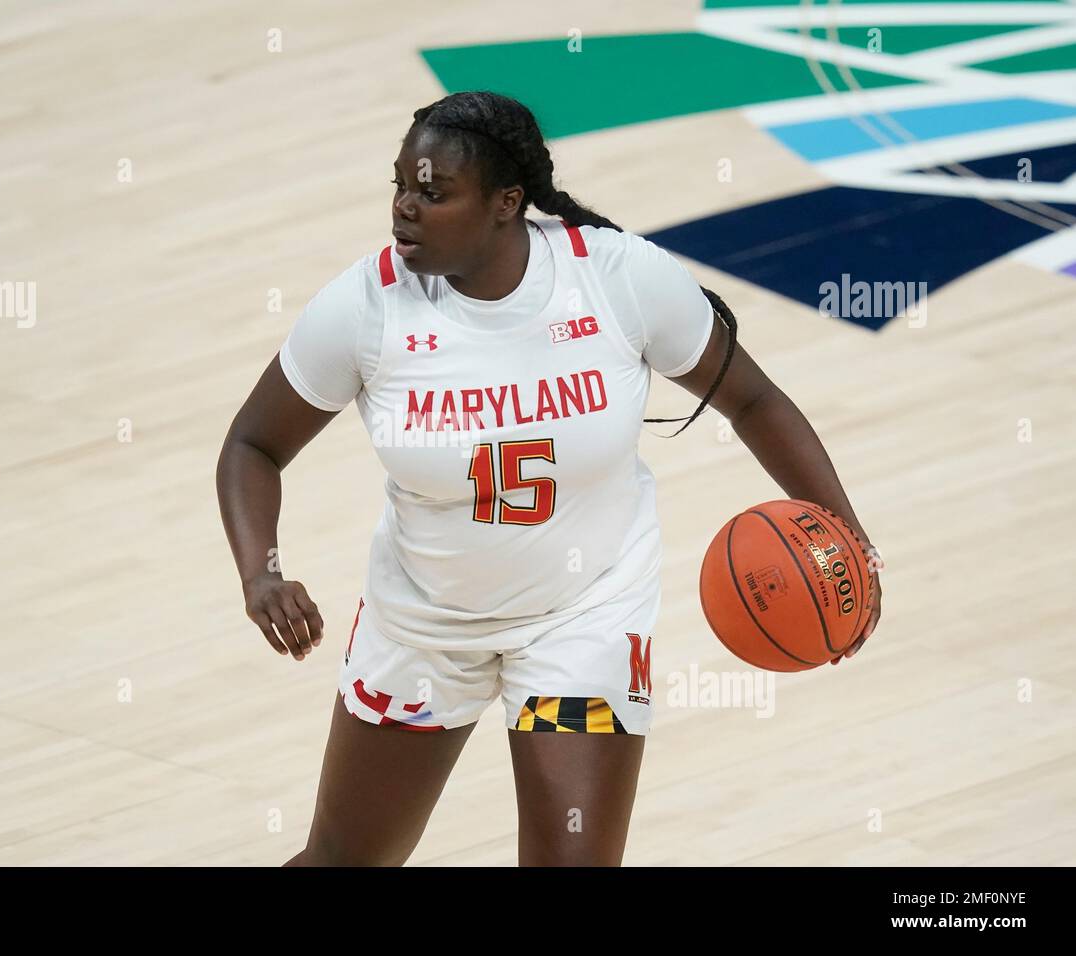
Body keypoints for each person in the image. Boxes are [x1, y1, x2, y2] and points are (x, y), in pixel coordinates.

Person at [216, 91, 883, 866]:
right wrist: (261, 574)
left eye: (433, 193)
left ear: (507, 204)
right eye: (399, 185)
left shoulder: (615, 278)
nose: (403, 209)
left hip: (584, 614)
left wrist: (852, 542)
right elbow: (251, 445)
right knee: (344, 859)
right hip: (425, 621)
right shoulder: (368, 306)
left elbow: (754, 399)